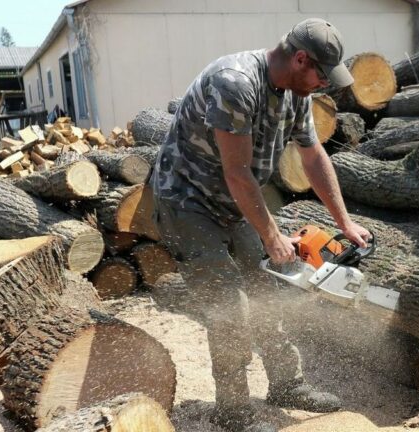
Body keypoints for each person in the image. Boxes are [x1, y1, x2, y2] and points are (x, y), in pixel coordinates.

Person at [152, 18, 370, 432]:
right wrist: (271, 235)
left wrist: (345, 222)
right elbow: (237, 171)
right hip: (187, 203)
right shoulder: (235, 82)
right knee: (230, 306)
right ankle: (232, 412)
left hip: (235, 202)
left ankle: (287, 383)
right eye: (322, 74)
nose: (324, 84)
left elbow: (313, 157)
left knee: (270, 286)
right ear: (301, 59)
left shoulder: (296, 91)